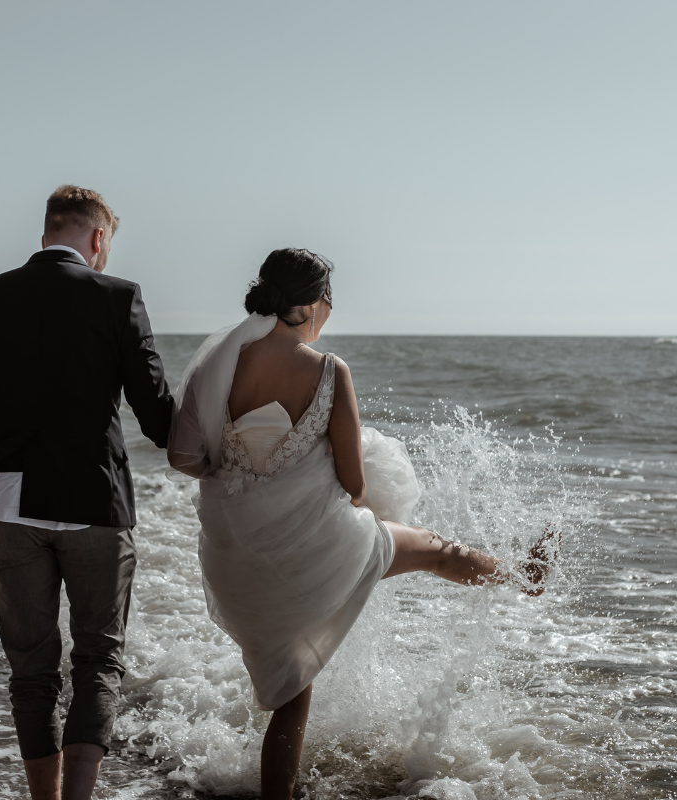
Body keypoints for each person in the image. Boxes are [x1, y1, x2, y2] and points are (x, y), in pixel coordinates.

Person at [168, 248, 559, 800]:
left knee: (291, 694)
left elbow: (184, 459)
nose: (330, 309)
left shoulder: (220, 364)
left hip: (233, 557)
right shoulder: (327, 370)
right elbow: (354, 484)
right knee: (432, 550)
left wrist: (249, 475)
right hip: (312, 549)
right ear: (310, 303)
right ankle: (524, 574)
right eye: (328, 298)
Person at [0, 186, 174, 800]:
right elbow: (159, 420)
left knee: (31, 673)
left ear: (46, 234)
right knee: (98, 662)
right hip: (95, 505)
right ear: (97, 239)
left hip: (10, 508)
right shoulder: (119, 297)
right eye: (107, 245)